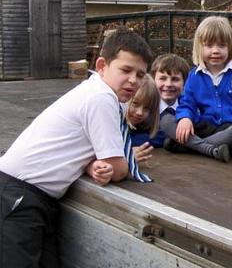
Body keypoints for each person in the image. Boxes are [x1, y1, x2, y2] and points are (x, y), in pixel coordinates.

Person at [0, 26, 152, 267]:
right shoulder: (101, 98)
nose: (133, 80)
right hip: (20, 194)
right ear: (102, 65)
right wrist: (114, 162)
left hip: (35, 196)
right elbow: (119, 168)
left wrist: (92, 164)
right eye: (126, 70)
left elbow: (92, 152)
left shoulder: (96, 91)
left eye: (141, 74)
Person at [169, 16, 232, 162]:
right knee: (167, 120)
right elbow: (187, 103)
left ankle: (189, 146)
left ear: (230, 47)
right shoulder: (195, 75)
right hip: (208, 127)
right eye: (209, 45)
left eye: (221, 45)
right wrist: (185, 118)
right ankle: (208, 148)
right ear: (199, 47)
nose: (216, 51)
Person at [130, 54, 190, 149]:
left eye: (175, 79)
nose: (168, 84)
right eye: (162, 78)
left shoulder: (190, 108)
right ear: (153, 80)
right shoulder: (144, 107)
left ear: (185, 82)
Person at [125, 74, 161, 178]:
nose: (140, 112)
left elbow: (160, 135)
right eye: (135, 103)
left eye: (147, 108)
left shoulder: (143, 125)